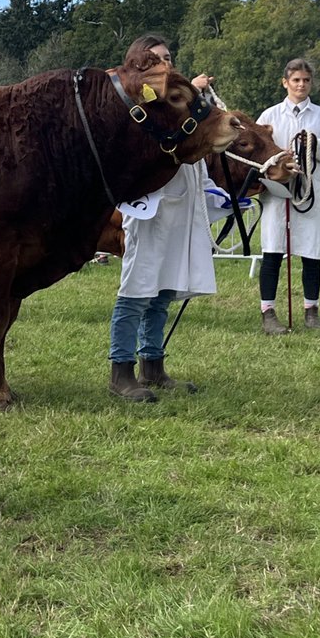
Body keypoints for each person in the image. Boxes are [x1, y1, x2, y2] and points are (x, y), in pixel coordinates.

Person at [107, 35, 222, 403]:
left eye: (168, 59)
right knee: (136, 292)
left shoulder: (184, 109)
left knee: (163, 292)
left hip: (181, 208)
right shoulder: (136, 113)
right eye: (155, 61)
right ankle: (120, 371)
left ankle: (152, 365)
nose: (165, 65)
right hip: (150, 212)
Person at [256, 58, 320, 333]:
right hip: (277, 193)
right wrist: (279, 163)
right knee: (272, 252)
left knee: (310, 254)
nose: (301, 85)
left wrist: (315, 146)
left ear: (311, 83)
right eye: (296, 80)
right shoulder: (269, 115)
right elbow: (256, 151)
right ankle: (268, 312)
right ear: (285, 82)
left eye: (306, 80)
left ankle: (311, 310)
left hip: (310, 196)